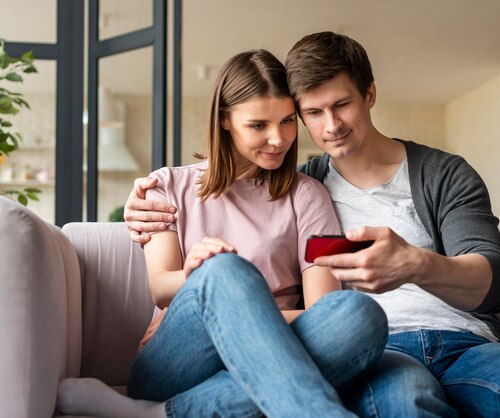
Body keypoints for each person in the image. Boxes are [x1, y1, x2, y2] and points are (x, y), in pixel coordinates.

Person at [124, 33, 500, 417]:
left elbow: (496, 283)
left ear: (369, 94)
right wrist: (142, 208)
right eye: (312, 113)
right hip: (379, 351)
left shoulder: (433, 175)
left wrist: (415, 264)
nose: (329, 126)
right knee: (398, 395)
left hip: (457, 342)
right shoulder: (297, 184)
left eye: (341, 105)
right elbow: (171, 278)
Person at [56, 49, 388, 418]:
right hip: (178, 360)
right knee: (224, 270)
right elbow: (161, 288)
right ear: (225, 120)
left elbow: (324, 310)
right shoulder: (165, 186)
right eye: (259, 125)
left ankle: (155, 414)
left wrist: (237, 314)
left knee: (360, 315)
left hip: (280, 356)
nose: (278, 139)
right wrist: (202, 281)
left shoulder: (309, 194)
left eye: (287, 121)